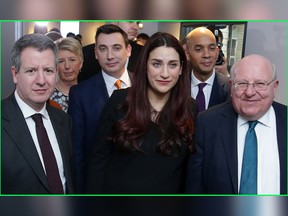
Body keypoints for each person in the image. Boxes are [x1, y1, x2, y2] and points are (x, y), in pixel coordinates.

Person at [85, 32, 197, 194]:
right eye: (156, 64)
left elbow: (189, 171)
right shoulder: (119, 101)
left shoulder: (189, 108)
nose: (165, 74)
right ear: (145, 66)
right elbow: (98, 162)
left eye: (172, 65)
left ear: (181, 69)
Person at [186, 54, 287, 194]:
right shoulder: (207, 123)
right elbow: (194, 190)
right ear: (231, 87)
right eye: (242, 84)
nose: (250, 92)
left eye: (260, 84)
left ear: (274, 87)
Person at [2, 33, 74, 194]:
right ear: (15, 74)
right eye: (31, 71)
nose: (41, 80)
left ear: (56, 73)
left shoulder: (63, 120)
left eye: (48, 70)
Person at [67, 24, 132, 193]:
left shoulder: (145, 85)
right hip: (99, 186)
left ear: (128, 50)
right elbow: (78, 152)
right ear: (96, 53)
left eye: (116, 48)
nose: (110, 55)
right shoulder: (80, 93)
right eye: (103, 49)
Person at [78, 21, 143, 82]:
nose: (136, 27)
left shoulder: (144, 53)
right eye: (130, 21)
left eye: (137, 22)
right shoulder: (85, 54)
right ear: (114, 22)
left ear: (128, 50)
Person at [186, 26, 230, 112]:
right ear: (188, 54)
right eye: (199, 49)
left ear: (217, 52)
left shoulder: (230, 89)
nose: (207, 55)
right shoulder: (176, 86)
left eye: (212, 48)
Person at [50, 37, 83, 112]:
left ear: (81, 63)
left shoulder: (89, 94)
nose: (67, 66)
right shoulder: (47, 95)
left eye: (72, 60)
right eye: (61, 61)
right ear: (55, 65)